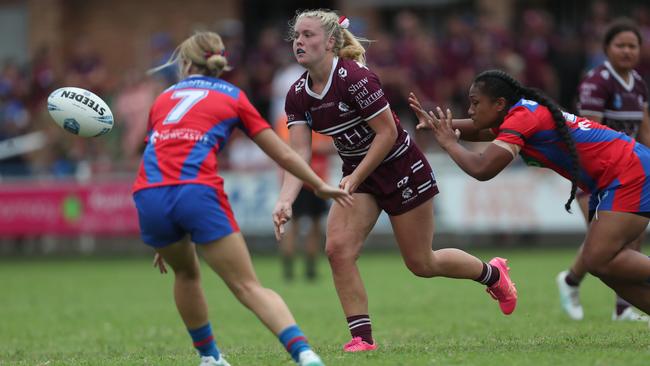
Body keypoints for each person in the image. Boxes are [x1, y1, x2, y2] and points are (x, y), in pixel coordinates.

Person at [272, 9, 518, 353]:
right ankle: (362, 339)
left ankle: (493, 275)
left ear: (330, 42)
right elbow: (298, 152)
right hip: (360, 177)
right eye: (296, 35)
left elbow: (387, 133)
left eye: (308, 35)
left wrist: (355, 176)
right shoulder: (296, 94)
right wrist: (286, 199)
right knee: (337, 251)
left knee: (422, 263)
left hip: (400, 168)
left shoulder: (355, 77)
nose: (299, 41)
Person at [133, 31, 354, 366]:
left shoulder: (163, 98)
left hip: (150, 194)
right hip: (196, 190)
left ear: (186, 63)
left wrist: (163, 233)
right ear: (220, 64)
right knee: (248, 287)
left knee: (186, 273)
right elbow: (283, 152)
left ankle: (210, 358)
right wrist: (318, 185)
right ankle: (305, 355)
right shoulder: (231, 96)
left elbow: (157, 152)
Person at [409, 69, 650, 317]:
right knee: (603, 266)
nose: (470, 110)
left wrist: (448, 142)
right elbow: (479, 129)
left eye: (475, 103)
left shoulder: (522, 118)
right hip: (622, 173)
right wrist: (436, 125)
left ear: (500, 104)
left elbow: (482, 168)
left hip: (630, 172)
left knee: (598, 259)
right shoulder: (520, 113)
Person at [556, 19, 650, 322]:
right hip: (595, 175)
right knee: (608, 243)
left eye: (632, 46)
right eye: (620, 45)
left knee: (625, 241)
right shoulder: (596, 82)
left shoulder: (638, 82)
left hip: (628, 174)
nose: (626, 51)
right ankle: (572, 281)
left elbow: (644, 129)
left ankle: (618, 306)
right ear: (607, 49)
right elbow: (589, 134)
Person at [275, 116, 331, 281]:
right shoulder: (289, 120)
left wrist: (309, 148)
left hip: (314, 179)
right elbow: (288, 147)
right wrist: (316, 147)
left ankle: (303, 269)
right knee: (299, 224)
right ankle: (294, 269)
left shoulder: (314, 119)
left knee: (308, 225)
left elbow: (328, 146)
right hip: (302, 179)